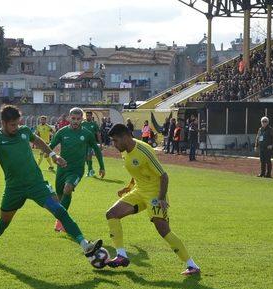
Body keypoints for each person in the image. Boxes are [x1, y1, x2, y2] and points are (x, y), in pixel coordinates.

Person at [0, 105, 103, 261]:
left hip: (36, 184)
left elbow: (38, 141)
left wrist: (53, 155)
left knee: (59, 210)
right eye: (13, 125)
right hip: (14, 188)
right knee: (3, 223)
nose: (16, 127)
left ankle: (85, 244)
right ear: (3, 123)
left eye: (18, 123)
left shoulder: (24, 131)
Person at [104, 123, 200, 275]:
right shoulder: (125, 151)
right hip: (139, 191)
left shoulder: (144, 150)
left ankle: (192, 265)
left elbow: (164, 175)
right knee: (112, 214)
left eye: (115, 141)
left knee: (163, 230)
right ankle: (121, 255)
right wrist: (128, 188)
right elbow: (138, 171)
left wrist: (161, 198)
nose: (114, 144)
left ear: (125, 137)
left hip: (155, 194)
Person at [50, 107, 105, 232]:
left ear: (82, 119)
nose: (75, 121)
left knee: (68, 189)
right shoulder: (62, 132)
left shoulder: (87, 134)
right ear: (69, 118)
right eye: (73, 118)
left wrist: (102, 166)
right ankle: (63, 220)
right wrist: (50, 154)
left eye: (78, 119)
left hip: (76, 170)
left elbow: (96, 150)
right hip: (62, 169)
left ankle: (61, 221)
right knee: (60, 196)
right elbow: (51, 146)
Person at [81, 110, 102, 177]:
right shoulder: (83, 123)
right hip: (84, 143)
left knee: (89, 156)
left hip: (91, 143)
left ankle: (89, 171)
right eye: (87, 115)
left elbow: (98, 134)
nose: (88, 117)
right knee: (85, 158)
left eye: (89, 115)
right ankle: (91, 170)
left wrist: (100, 143)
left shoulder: (94, 124)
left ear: (91, 116)